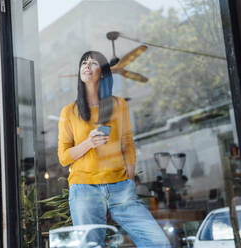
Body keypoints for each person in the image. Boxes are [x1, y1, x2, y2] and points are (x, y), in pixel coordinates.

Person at [58, 51, 171, 247]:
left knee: (157, 242)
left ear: (102, 72)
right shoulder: (69, 112)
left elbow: (127, 143)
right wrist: (88, 143)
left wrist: (131, 177)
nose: (86, 66)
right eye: (83, 63)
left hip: (120, 186)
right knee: (90, 246)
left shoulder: (118, 105)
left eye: (92, 63)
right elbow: (63, 157)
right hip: (85, 188)